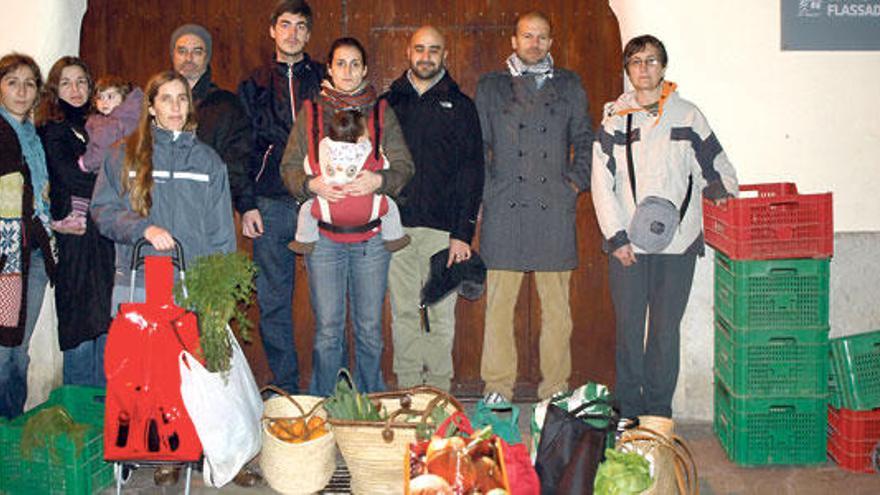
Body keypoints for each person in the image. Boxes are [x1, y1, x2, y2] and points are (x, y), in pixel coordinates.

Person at [91, 70, 236, 486]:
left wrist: (219, 293)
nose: (175, 106)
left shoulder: (208, 161)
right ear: (150, 107)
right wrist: (142, 229)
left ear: (190, 106)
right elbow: (102, 211)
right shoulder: (124, 155)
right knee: (136, 373)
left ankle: (181, 449)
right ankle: (136, 445)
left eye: (182, 99)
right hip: (137, 282)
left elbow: (222, 234)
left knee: (186, 375)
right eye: (166, 98)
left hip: (190, 284)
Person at [591, 35, 737, 419]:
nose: (644, 68)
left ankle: (658, 413)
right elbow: (601, 185)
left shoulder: (688, 116)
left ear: (664, 67)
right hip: (628, 249)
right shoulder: (612, 121)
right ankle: (628, 411)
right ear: (627, 69)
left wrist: (722, 194)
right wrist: (616, 237)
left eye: (652, 61)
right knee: (628, 331)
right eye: (636, 61)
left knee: (664, 332)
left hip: (679, 246)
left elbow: (718, 170)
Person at [280, 37, 414, 396]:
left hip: (371, 241)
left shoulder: (382, 113)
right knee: (327, 329)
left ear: (365, 70)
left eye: (355, 64)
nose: (348, 71)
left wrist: (379, 180)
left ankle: (368, 401)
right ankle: (328, 403)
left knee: (369, 328)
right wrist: (312, 185)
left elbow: (404, 166)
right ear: (329, 69)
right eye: (341, 63)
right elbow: (289, 168)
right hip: (324, 241)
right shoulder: (311, 112)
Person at [475, 11, 592, 403]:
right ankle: (497, 386)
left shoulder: (570, 85)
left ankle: (555, 388)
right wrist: (488, 190)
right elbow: (477, 146)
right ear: (514, 41)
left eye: (542, 37)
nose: (534, 43)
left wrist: (573, 184)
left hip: (552, 208)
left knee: (558, 311)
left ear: (551, 43)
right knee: (498, 308)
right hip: (504, 207)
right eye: (527, 36)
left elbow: (586, 140)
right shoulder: (491, 87)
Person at [383, 25, 483, 391]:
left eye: (434, 50)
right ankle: (410, 390)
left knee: (440, 316)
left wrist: (463, 234)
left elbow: (473, 174)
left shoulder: (461, 106)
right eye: (419, 49)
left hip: (444, 233)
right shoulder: (388, 104)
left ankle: (440, 391)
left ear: (445, 55)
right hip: (397, 231)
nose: (426, 56)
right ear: (408, 53)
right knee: (404, 313)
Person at [238, 0, 324, 393]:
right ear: (273, 30)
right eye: (285, 25)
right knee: (273, 302)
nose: (292, 33)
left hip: (320, 202)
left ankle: (325, 387)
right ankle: (287, 387)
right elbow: (242, 149)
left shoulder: (326, 79)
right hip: (270, 204)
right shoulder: (253, 83)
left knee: (329, 303)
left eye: (300, 26)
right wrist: (247, 203)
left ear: (308, 33)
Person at [36, 57, 115, 387]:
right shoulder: (52, 130)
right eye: (66, 82)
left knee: (105, 324)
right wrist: (113, 182)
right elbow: (71, 178)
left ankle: (100, 419)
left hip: (104, 236)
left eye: (82, 81)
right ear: (55, 89)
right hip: (74, 239)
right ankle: (78, 415)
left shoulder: (100, 126)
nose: (76, 89)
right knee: (79, 326)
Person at [0, 53, 55, 419]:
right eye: (12, 82)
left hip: (34, 255)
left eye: (29, 83)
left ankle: (12, 425)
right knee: (3, 346)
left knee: (19, 345)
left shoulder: (35, 137)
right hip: (6, 260)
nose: (21, 90)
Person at [289, 108, 410, 254]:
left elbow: (308, 166)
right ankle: (394, 237)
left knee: (307, 209)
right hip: (368, 214)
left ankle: (304, 240)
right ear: (360, 138)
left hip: (327, 210)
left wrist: (312, 183)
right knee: (390, 206)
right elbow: (385, 165)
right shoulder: (368, 152)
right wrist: (378, 176)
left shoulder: (323, 149)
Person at [170, 23, 252, 220]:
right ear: (173, 56)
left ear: (207, 57)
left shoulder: (226, 104)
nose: (188, 58)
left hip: (209, 208)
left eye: (197, 51)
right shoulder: (157, 101)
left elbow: (238, 162)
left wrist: (242, 203)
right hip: (164, 206)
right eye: (182, 51)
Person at [50, 75, 143, 232]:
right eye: (100, 97)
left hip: (111, 167)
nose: (104, 102)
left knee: (86, 188)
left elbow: (101, 149)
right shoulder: (133, 117)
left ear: (124, 97)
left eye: (110, 96)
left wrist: (85, 163)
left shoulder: (110, 123)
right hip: (128, 171)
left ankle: (78, 217)